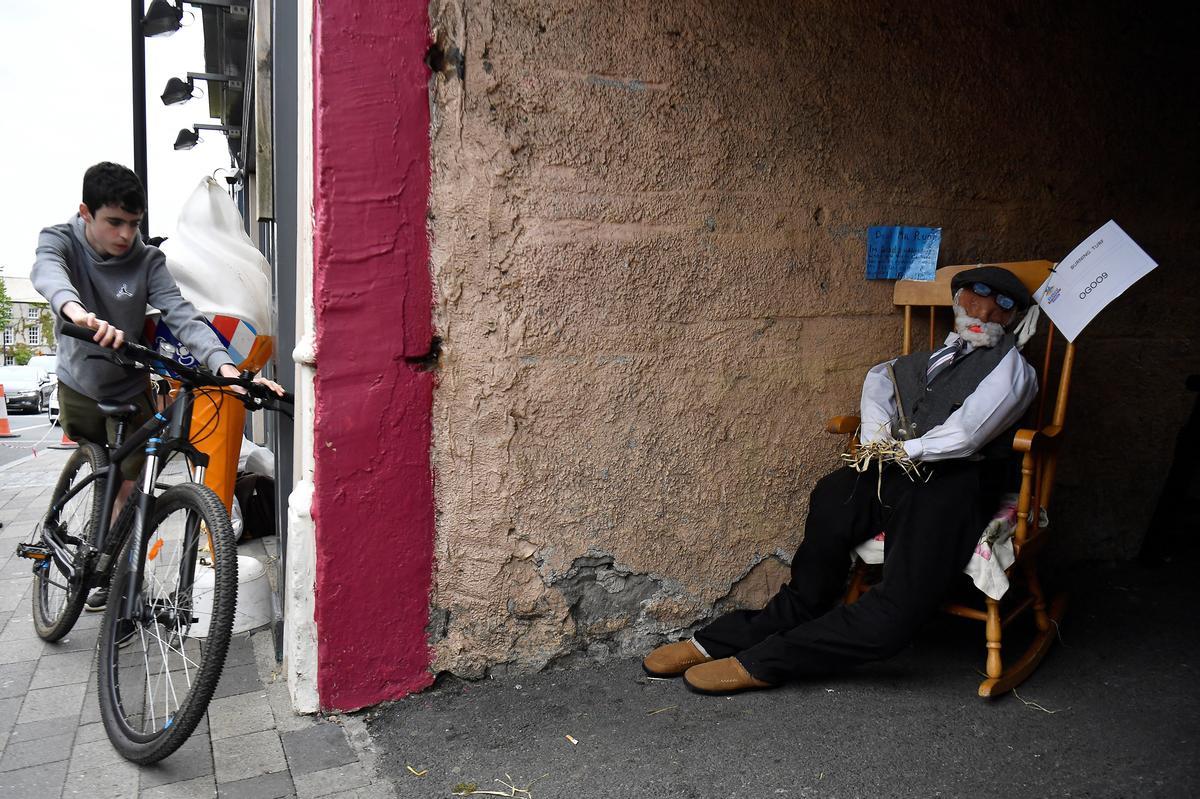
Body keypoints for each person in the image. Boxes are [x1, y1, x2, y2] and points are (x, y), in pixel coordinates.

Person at [642, 266, 1038, 694]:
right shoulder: (922, 362)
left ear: (1012, 317)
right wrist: (877, 439)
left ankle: (770, 660)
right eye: (973, 298)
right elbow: (878, 381)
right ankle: (744, 631)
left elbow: (967, 434)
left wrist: (909, 450)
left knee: (897, 610)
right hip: (897, 469)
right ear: (957, 304)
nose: (984, 310)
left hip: (954, 483)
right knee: (837, 492)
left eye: (1001, 305)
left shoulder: (1012, 370)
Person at [31, 161, 283, 611]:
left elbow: (182, 314)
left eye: (134, 223)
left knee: (129, 486)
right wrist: (75, 312)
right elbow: (48, 274)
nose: (126, 235)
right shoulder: (61, 240)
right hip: (79, 383)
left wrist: (225, 368)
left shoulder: (147, 260)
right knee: (104, 470)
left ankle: (118, 579)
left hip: (128, 386)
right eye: (114, 222)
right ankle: (80, 534)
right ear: (86, 213)